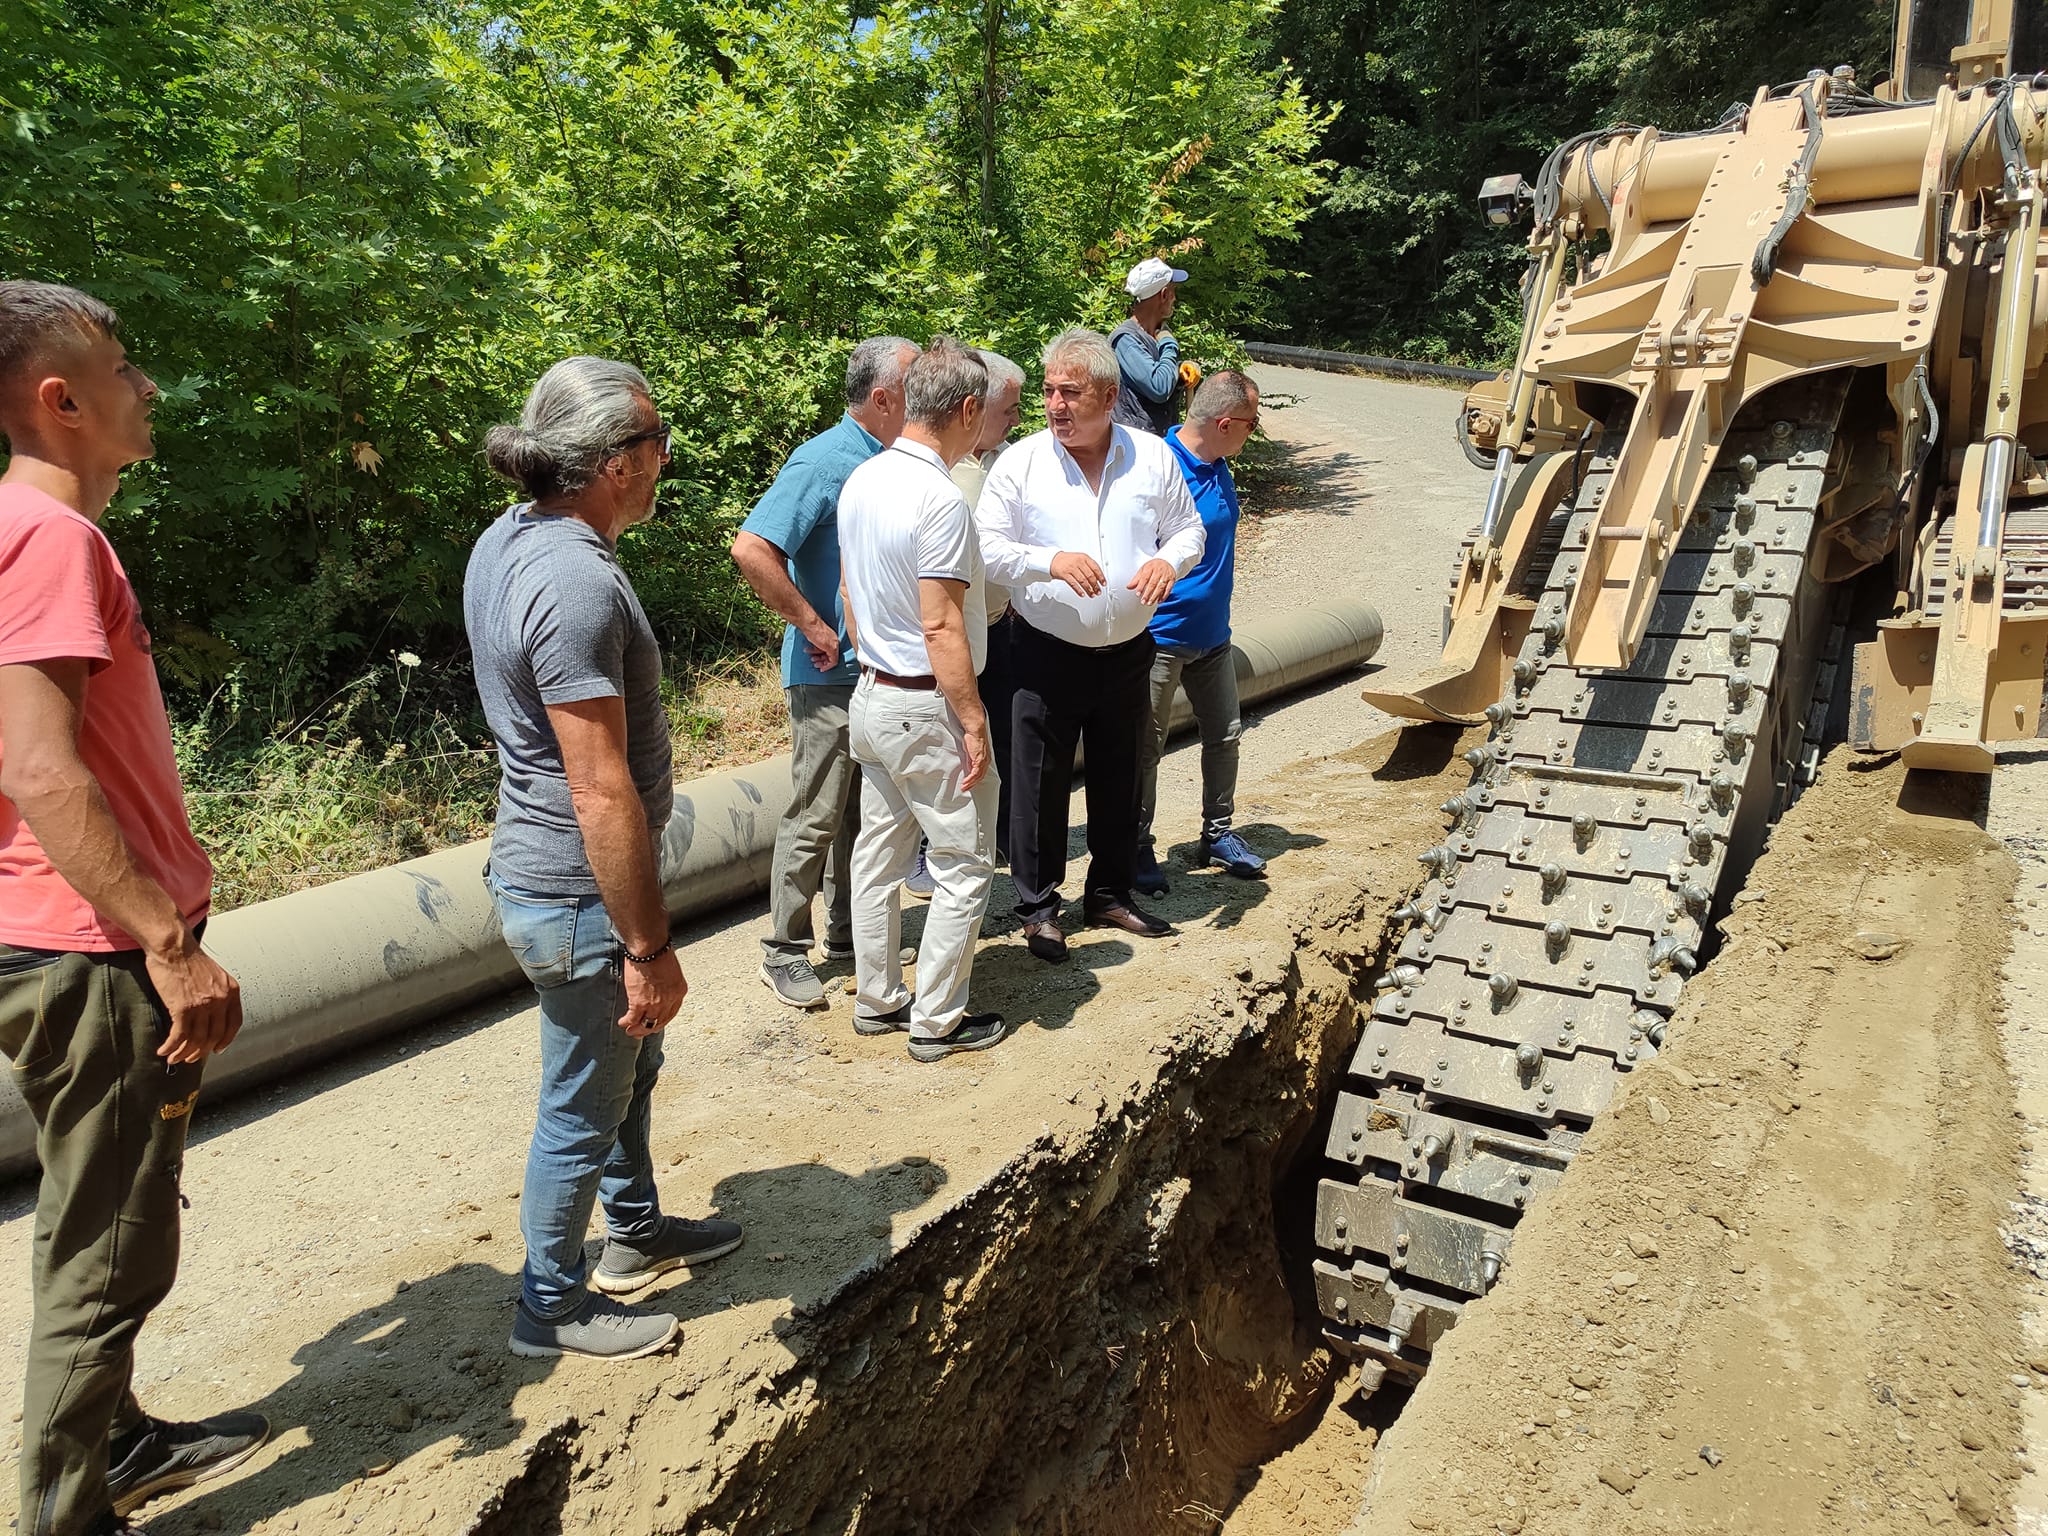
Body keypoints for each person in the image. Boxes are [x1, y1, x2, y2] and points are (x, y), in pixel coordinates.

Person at [0, 281, 269, 1535]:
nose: (145, 386)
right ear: (59, 400)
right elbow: (42, 765)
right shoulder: (50, 539)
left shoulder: (28, 532)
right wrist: (165, 940)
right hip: (96, 951)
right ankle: (69, 1510)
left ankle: (119, 1439)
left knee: (103, 1216)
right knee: (109, 1253)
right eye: (119, 368)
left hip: (71, 938)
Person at [466, 357, 741, 1362]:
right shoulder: (573, 580)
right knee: (582, 1099)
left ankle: (633, 1230)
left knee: (628, 1065)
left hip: (556, 878)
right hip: (579, 893)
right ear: (613, 462)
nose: (665, 461)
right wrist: (644, 941)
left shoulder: (514, 538)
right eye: (656, 443)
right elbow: (597, 785)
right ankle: (550, 1303)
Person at [977, 327, 1204, 963]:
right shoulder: (1020, 462)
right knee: (1037, 785)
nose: (1054, 404)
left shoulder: (1153, 456)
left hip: (1129, 649)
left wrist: (1170, 563)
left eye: (1069, 392)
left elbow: (1190, 532)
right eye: (1049, 391)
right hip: (1044, 651)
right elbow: (986, 547)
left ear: (1107, 396)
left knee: (1120, 774)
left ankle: (1108, 892)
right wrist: (1050, 562)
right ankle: (1039, 909)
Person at [732, 337, 920, 1008]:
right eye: (914, 382)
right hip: (826, 676)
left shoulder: (891, 462)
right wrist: (814, 625)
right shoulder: (824, 462)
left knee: (860, 815)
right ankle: (784, 950)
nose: (924, 394)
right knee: (815, 812)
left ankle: (845, 937)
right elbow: (752, 547)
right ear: (882, 398)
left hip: (876, 674)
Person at [837, 339, 1009, 1060]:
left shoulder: (864, 480)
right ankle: (937, 1018)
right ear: (968, 409)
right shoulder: (939, 497)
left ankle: (877, 997)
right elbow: (941, 621)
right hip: (924, 705)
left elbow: (849, 593)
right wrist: (972, 722)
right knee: (965, 862)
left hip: (872, 694)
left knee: (878, 853)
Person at [1135, 371, 1266, 896]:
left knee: (1225, 736)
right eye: (1252, 425)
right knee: (1146, 748)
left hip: (1213, 637)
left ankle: (1217, 835)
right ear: (1227, 423)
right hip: (1159, 640)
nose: (1253, 434)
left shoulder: (1219, 464)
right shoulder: (1157, 470)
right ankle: (1137, 846)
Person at [951, 349, 1025, 864]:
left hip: (1005, 624)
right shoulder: (941, 466)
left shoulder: (1013, 459)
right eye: (1010, 409)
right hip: (951, 632)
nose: (1019, 418)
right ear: (975, 409)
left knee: (1008, 736)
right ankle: (942, 849)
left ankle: (1002, 838)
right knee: (958, 743)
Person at [1111, 258, 1190, 436]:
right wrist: (1169, 344)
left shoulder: (1153, 334)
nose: (1175, 298)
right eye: (1173, 291)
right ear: (1163, 294)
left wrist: (1180, 373)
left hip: (1156, 443)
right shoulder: (1125, 340)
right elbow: (1159, 387)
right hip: (1136, 447)